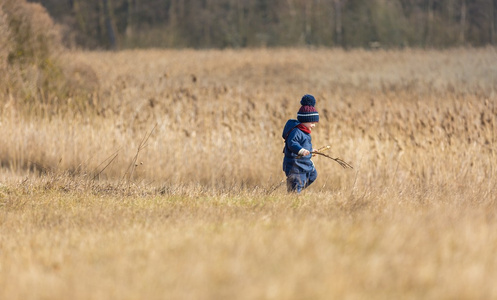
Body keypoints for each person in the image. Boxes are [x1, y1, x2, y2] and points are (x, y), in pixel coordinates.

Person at [282, 94, 319, 193]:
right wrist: (301, 151)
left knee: (313, 175)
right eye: (312, 123)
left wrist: (310, 151)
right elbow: (292, 143)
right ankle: (294, 194)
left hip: (304, 164)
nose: (314, 125)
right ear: (305, 121)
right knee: (296, 183)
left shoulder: (305, 132)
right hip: (295, 166)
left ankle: (297, 190)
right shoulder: (296, 131)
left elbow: (304, 145)